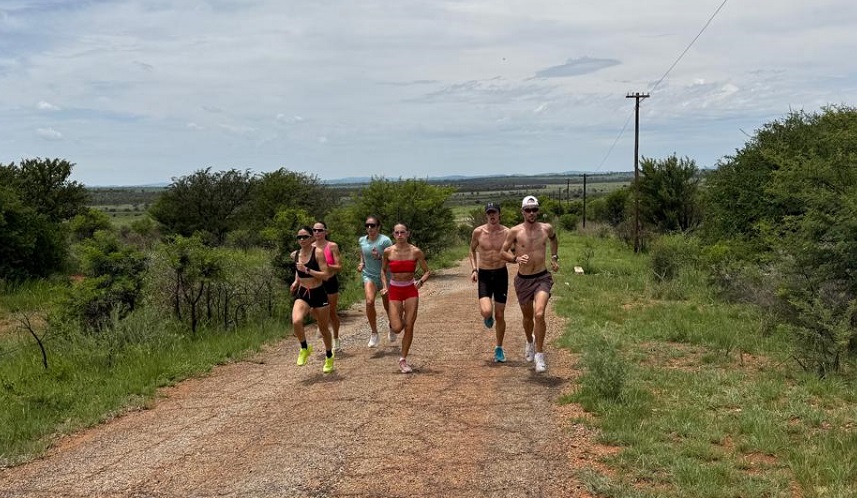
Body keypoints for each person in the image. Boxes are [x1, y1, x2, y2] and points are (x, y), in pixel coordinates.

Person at [500, 196, 559, 373]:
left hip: (542, 277)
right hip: (524, 280)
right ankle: (529, 341)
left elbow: (555, 240)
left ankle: (540, 355)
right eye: (528, 210)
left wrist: (554, 257)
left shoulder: (546, 228)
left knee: (539, 314)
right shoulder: (515, 231)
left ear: (538, 210)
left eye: (534, 209)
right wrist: (516, 258)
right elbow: (503, 252)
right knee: (528, 318)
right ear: (522, 211)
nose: (531, 213)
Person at [380, 223, 430, 373]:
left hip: (410, 289)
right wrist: (385, 286)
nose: (400, 235)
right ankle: (394, 320)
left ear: (408, 233)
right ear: (393, 235)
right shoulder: (388, 252)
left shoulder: (416, 252)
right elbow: (382, 271)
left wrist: (420, 281)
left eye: (402, 232)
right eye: (397, 233)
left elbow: (427, 271)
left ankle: (403, 359)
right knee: (397, 327)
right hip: (394, 289)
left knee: (409, 325)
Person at [289, 226, 335, 374]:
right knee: (296, 321)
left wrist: (307, 270)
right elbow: (298, 270)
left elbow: (326, 275)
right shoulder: (295, 254)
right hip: (303, 293)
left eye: (305, 237)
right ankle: (304, 348)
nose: (302, 240)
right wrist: (296, 281)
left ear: (311, 238)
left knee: (323, 329)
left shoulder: (318, 253)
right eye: (299, 237)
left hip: (319, 293)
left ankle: (329, 356)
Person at [469, 202, 510, 363]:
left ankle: (499, 348)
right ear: (486, 215)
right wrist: (474, 269)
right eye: (489, 213)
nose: (492, 216)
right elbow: (471, 250)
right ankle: (487, 317)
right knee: (487, 311)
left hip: (501, 273)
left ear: (499, 214)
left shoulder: (507, 232)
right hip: (484, 274)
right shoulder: (478, 232)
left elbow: (515, 249)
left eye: (494, 213)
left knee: (500, 315)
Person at [357, 215, 393, 348]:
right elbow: (362, 253)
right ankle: (374, 333)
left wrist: (379, 257)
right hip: (369, 275)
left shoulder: (385, 241)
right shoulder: (362, 240)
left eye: (372, 225)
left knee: (388, 305)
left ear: (378, 227)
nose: (370, 228)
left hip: (385, 276)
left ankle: (392, 325)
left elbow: (392, 259)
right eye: (367, 225)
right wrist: (361, 263)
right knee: (369, 301)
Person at [312, 221, 343, 351]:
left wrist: (325, 265)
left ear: (326, 232)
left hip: (330, 281)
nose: (317, 232)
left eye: (320, 230)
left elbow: (339, 266)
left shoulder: (332, 246)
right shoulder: (310, 246)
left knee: (331, 312)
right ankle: (320, 324)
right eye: (315, 230)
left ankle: (336, 338)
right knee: (312, 309)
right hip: (315, 283)